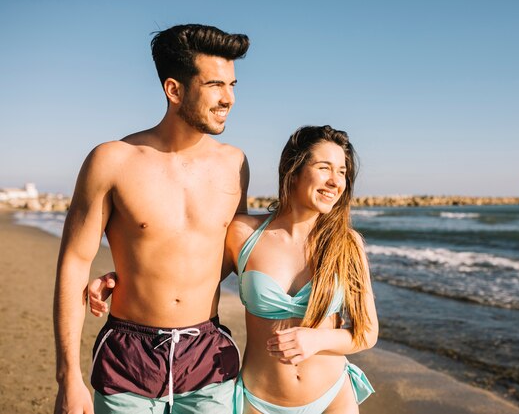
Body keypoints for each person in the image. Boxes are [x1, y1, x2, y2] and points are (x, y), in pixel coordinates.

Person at [91, 125, 379, 414]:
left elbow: (367, 332)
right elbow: (185, 275)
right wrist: (118, 281)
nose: (335, 181)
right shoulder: (243, 233)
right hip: (258, 401)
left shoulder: (346, 244)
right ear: (293, 169)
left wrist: (317, 339)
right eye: (324, 168)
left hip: (332, 397)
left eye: (342, 171)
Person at [53, 24, 250, 414]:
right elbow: (73, 262)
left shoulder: (235, 164)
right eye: (215, 85)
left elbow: (231, 253)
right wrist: (68, 377)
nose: (228, 98)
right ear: (174, 90)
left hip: (207, 354)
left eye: (232, 84)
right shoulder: (112, 161)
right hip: (129, 354)